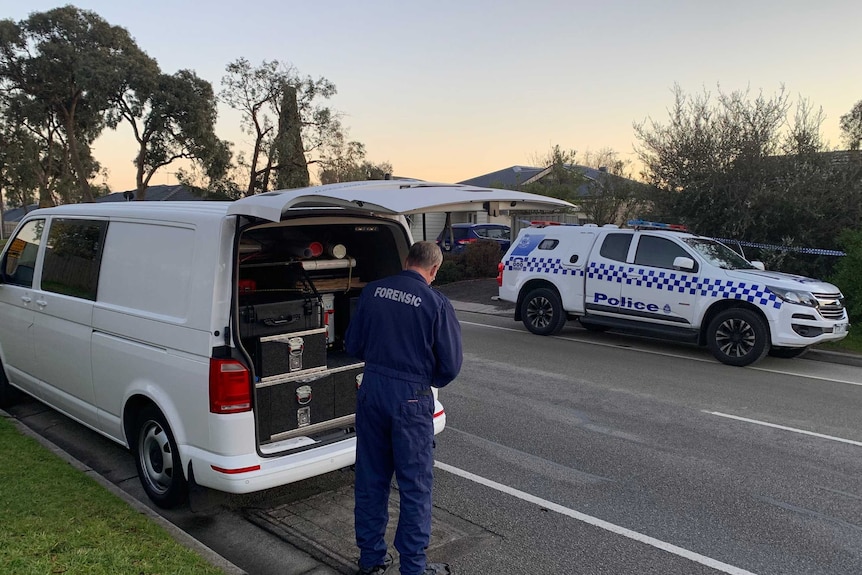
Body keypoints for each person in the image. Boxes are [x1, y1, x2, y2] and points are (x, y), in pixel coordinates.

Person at [345, 241, 463, 575]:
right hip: (411, 397)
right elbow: (450, 366)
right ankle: (413, 568)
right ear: (435, 269)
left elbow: (353, 345)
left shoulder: (373, 292)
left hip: (373, 389)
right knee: (414, 486)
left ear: (407, 261)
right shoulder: (436, 303)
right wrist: (423, 379)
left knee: (371, 479)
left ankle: (370, 560)